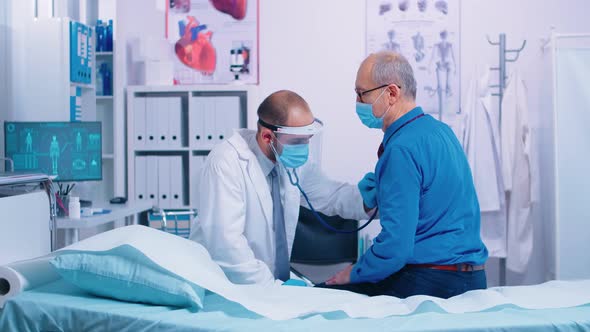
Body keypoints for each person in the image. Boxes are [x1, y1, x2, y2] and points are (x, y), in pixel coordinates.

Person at [321, 51, 488, 299]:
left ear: (391, 93)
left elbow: (395, 247)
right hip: (471, 277)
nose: (358, 102)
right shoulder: (441, 132)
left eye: (361, 93)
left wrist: (353, 273)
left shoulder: (401, 149)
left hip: (432, 281)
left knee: (325, 295)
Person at [190, 90, 370, 286]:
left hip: (266, 283)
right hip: (225, 283)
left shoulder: (291, 160)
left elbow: (331, 196)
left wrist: (370, 201)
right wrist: (274, 288)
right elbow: (226, 246)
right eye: (297, 141)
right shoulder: (226, 163)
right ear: (268, 137)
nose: (304, 148)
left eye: (307, 140)